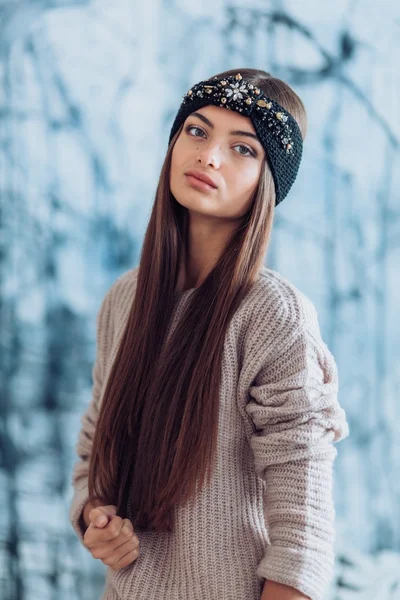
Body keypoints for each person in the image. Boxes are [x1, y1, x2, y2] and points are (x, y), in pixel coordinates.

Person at [69, 68, 349, 600]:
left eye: (243, 149)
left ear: (269, 182)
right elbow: (93, 450)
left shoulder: (273, 313)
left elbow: (303, 517)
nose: (209, 156)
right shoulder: (124, 300)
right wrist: (94, 516)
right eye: (197, 131)